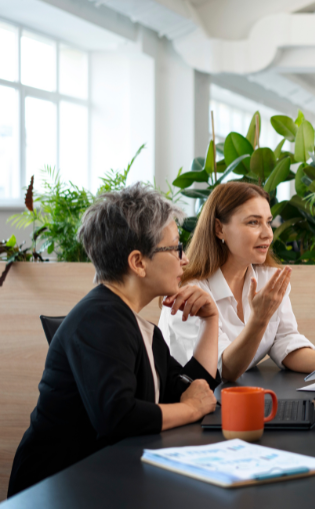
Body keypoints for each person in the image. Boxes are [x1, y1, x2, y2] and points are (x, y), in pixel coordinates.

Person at [8, 184, 220, 498]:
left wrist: (211, 321)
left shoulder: (138, 327)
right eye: (176, 248)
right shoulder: (99, 320)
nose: (185, 260)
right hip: (57, 490)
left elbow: (194, 388)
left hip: (105, 480)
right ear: (138, 262)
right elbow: (118, 416)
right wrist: (189, 409)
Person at [159, 182, 315, 383]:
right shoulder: (190, 294)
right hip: (189, 402)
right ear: (219, 229)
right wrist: (259, 319)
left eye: (268, 222)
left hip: (233, 397)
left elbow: (285, 341)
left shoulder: (268, 279)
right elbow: (224, 370)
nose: (267, 233)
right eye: (253, 222)